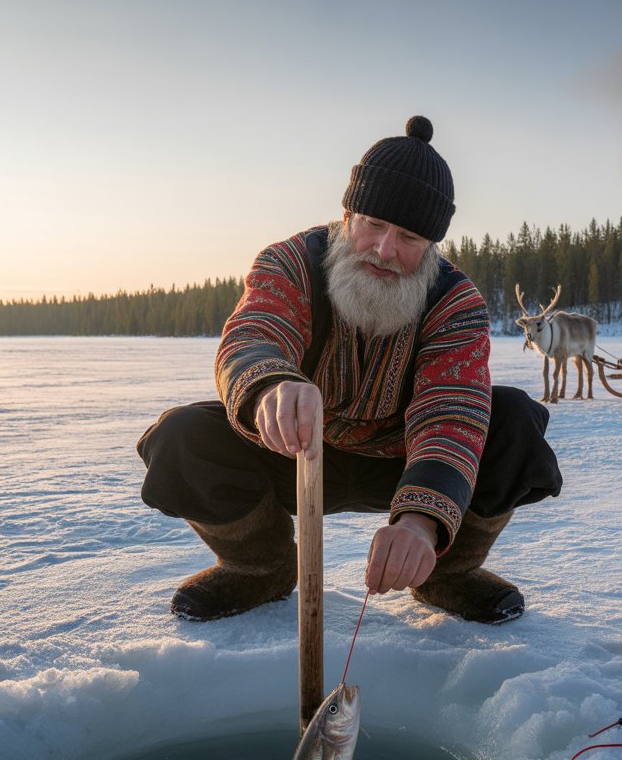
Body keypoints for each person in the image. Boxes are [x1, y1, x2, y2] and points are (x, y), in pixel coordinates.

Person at [137, 116, 563, 625]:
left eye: (408, 237)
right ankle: (259, 568)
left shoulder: (455, 300)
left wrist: (422, 522)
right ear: (347, 215)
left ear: (431, 246)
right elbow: (255, 333)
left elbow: (452, 407)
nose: (385, 250)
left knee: (514, 421)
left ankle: (444, 573)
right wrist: (271, 387)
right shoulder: (291, 262)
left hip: (403, 459)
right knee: (180, 436)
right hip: (293, 452)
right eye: (374, 224)